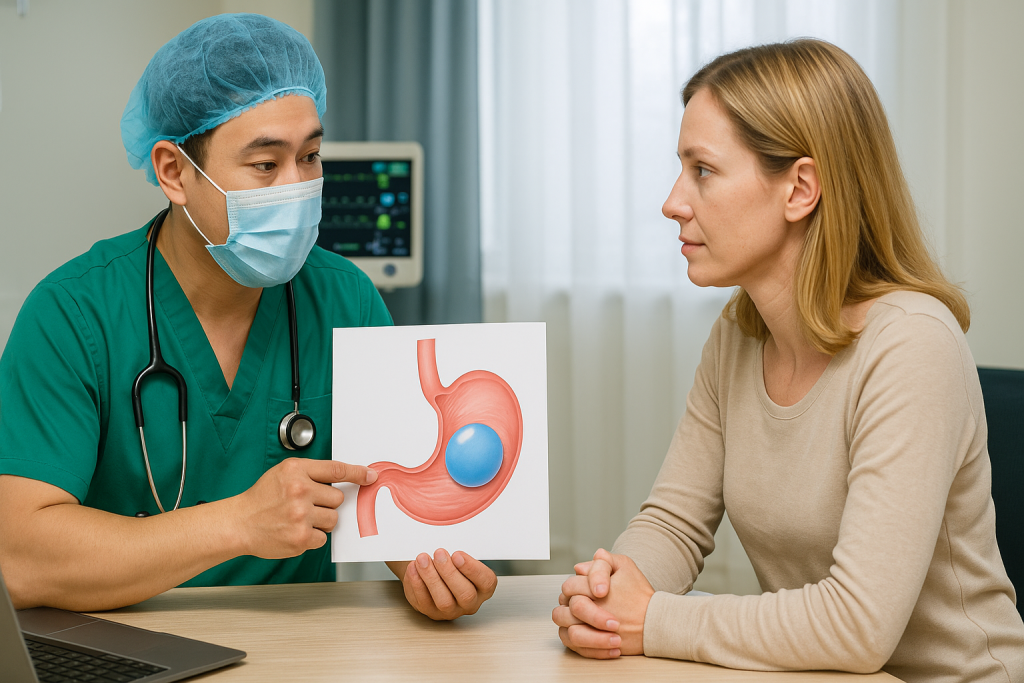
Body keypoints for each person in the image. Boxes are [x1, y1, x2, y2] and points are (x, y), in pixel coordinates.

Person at [552, 39, 1024, 681]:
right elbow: (675, 521)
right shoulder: (740, 333)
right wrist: (614, 594)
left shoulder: (912, 345)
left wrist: (654, 620)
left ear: (800, 188)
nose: (673, 202)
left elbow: (857, 626)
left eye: (704, 171)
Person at [0, 13, 496, 620]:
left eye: (311, 157)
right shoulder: (74, 314)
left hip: (298, 652)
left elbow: (395, 506)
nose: (297, 186)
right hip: (123, 646)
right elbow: (18, 558)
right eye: (265, 166)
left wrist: (433, 571)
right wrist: (236, 524)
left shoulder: (345, 300)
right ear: (174, 172)